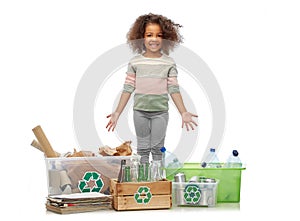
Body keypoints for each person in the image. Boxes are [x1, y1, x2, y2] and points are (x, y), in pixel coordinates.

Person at [106, 13, 198, 163]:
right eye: (149, 35)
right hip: (140, 112)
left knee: (157, 148)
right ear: (142, 37)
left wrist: (184, 112)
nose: (154, 39)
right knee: (142, 149)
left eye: (159, 35)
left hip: (160, 113)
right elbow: (128, 88)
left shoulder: (168, 63)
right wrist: (117, 112)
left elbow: (174, 90)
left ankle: (157, 179)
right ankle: (143, 179)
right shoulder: (135, 62)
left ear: (166, 38)